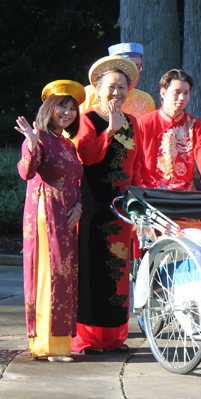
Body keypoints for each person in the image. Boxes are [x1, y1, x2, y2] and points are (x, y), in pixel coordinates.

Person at [72, 55, 143, 355]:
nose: (117, 93)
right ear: (98, 89)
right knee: (91, 269)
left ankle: (115, 338)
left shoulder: (135, 122)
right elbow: (85, 156)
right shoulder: (87, 119)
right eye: (111, 87)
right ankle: (88, 339)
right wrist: (110, 130)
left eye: (122, 87)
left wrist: (139, 201)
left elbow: (137, 165)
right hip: (92, 205)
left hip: (120, 208)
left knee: (117, 272)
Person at [16, 80, 85, 362]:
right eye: (62, 106)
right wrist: (32, 144)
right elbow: (26, 172)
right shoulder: (38, 138)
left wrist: (79, 206)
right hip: (45, 213)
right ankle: (45, 344)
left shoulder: (68, 143)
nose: (68, 112)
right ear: (49, 107)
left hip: (68, 215)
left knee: (66, 274)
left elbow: (76, 179)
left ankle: (59, 343)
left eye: (72, 108)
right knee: (50, 272)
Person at [140, 69, 201, 191]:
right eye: (177, 92)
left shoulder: (194, 126)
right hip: (151, 193)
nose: (182, 98)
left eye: (186, 93)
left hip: (185, 194)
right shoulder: (144, 123)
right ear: (163, 93)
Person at [79, 42, 155, 118]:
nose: (134, 71)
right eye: (127, 67)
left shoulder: (145, 99)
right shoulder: (88, 94)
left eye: (137, 66)